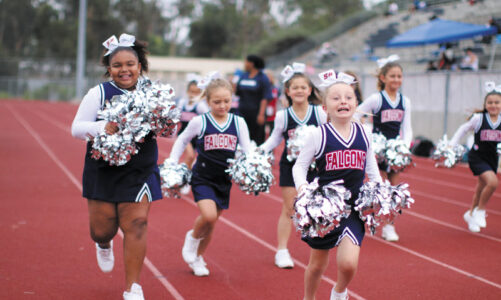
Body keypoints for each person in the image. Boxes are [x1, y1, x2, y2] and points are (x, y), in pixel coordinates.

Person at [71, 33, 160, 300]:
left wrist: (165, 122)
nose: (124, 70)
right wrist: (102, 128)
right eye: (118, 65)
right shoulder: (98, 93)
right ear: (109, 69)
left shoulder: (153, 92)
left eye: (130, 64)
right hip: (103, 167)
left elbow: (169, 127)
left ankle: (133, 287)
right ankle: (103, 243)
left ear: (140, 65)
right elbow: (76, 128)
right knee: (103, 228)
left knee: (137, 223)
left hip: (140, 168)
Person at [293, 70, 382, 300]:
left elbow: (371, 169)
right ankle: (308, 298)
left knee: (349, 264)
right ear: (325, 108)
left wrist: (380, 191)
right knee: (317, 265)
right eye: (336, 98)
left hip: (353, 207)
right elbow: (299, 166)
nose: (343, 101)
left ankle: (339, 291)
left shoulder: (365, 133)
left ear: (356, 103)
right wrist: (303, 189)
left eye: (349, 97)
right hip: (325, 209)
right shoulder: (318, 135)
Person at [169, 73, 251, 276]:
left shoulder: (238, 122)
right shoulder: (200, 121)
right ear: (207, 101)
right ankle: (192, 239)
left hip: (224, 179)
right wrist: (172, 160)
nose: (222, 105)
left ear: (232, 99)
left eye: (226, 101)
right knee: (208, 215)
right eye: (217, 101)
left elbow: (248, 150)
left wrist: (251, 167)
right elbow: (181, 139)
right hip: (203, 176)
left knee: (212, 222)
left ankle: (198, 258)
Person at [260, 62, 326, 269]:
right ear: (288, 91)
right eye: (294, 87)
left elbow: (328, 137)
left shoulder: (320, 114)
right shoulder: (283, 116)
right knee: (289, 208)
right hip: (290, 166)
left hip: (315, 169)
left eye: (303, 87)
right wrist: (258, 152)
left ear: (309, 90)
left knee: (317, 209)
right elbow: (274, 140)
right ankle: (282, 250)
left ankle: (318, 248)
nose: (299, 90)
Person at [355, 55, 412, 242]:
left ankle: (390, 225)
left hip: (395, 150)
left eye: (399, 76)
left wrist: (404, 146)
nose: (396, 79)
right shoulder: (376, 99)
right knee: (382, 186)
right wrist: (365, 133)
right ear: (383, 78)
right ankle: (374, 217)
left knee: (395, 188)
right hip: (379, 149)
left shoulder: (405, 101)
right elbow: (357, 113)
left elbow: (407, 127)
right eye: (392, 76)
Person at [450, 82, 501, 232]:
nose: (493, 105)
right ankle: (480, 211)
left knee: (481, 188)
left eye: (497, 102)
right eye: (490, 102)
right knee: (492, 182)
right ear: (485, 104)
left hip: (492, 158)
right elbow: (463, 129)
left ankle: (471, 214)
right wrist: (452, 144)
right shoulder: (479, 118)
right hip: (477, 157)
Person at [236, 55, 273, 144]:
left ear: (251, 63)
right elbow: (238, 92)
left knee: (257, 138)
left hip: (256, 113)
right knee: (242, 136)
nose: (244, 64)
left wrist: (261, 114)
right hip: (242, 112)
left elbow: (265, 97)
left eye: (246, 62)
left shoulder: (262, 78)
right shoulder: (243, 76)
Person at [177, 74, 208, 169]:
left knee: (192, 159)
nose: (193, 95)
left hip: (196, 137)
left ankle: (185, 177)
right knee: (190, 156)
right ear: (187, 91)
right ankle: (178, 175)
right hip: (184, 134)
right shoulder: (182, 103)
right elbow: (175, 117)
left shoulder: (200, 106)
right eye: (191, 92)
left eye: (196, 92)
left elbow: (209, 118)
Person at [264, 70, 279, 136]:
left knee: (272, 131)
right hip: (263, 112)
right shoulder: (261, 89)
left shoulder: (275, 88)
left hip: (272, 112)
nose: (267, 79)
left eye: (269, 77)